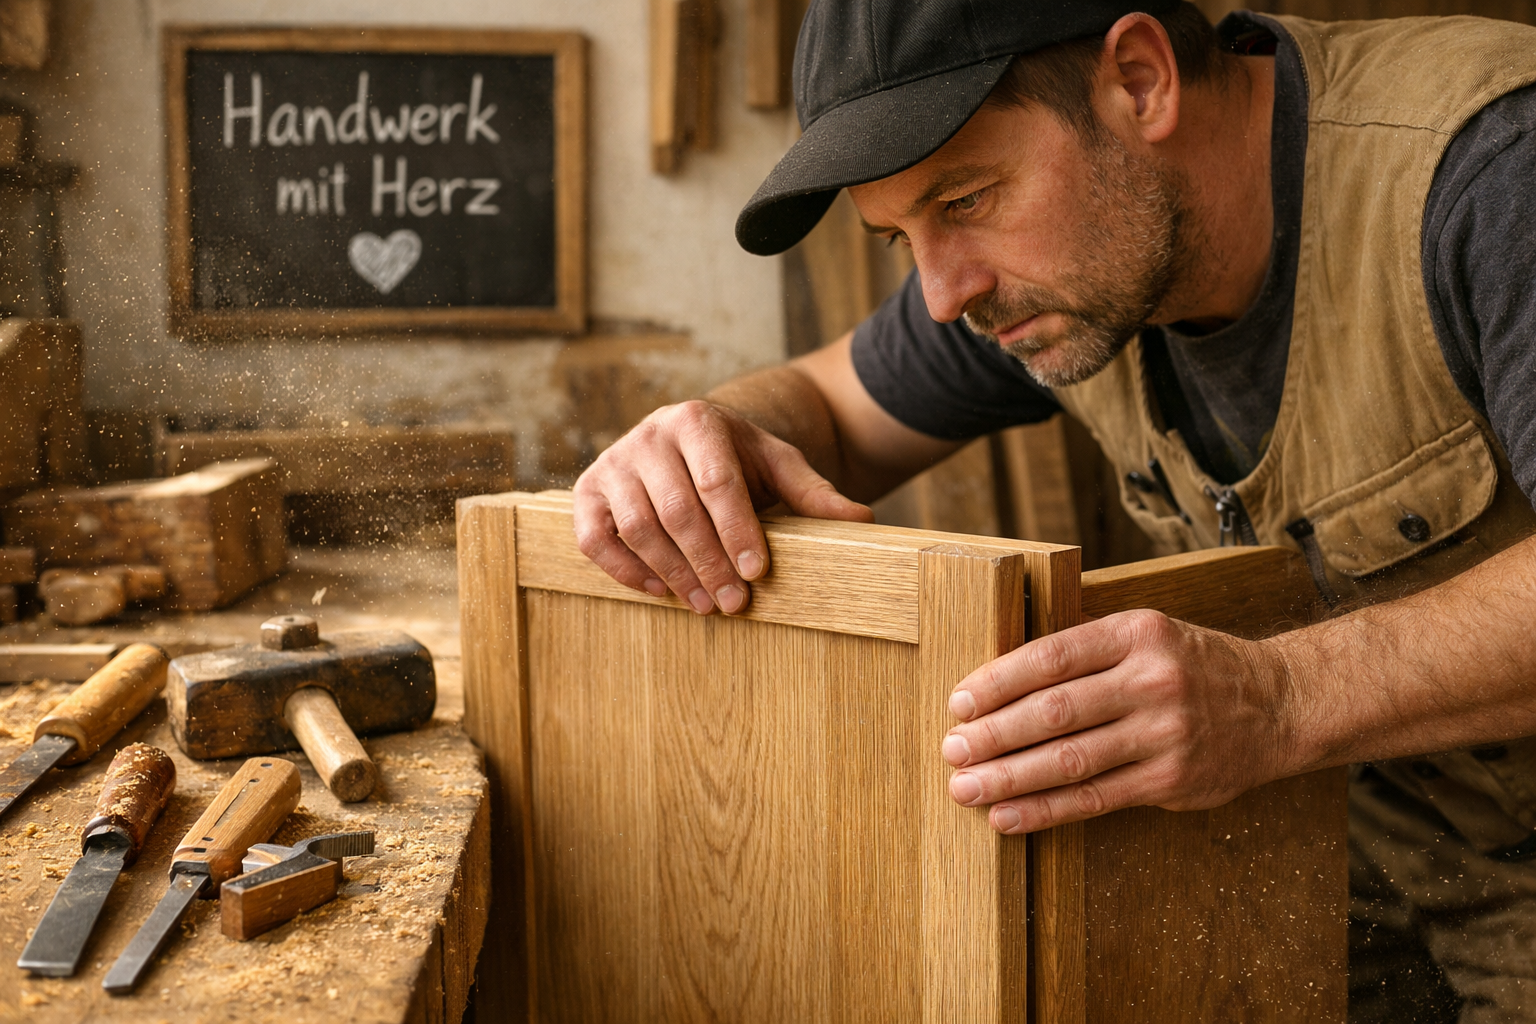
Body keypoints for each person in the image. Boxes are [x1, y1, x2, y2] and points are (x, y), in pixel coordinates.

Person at [573, 0, 1536, 1017]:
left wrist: (1278, 698)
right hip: (1356, 873)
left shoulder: (1494, 171)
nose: (946, 295)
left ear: (1139, 81)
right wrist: (709, 432)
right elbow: (824, 411)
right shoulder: (1058, 266)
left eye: (967, 200)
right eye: (901, 238)